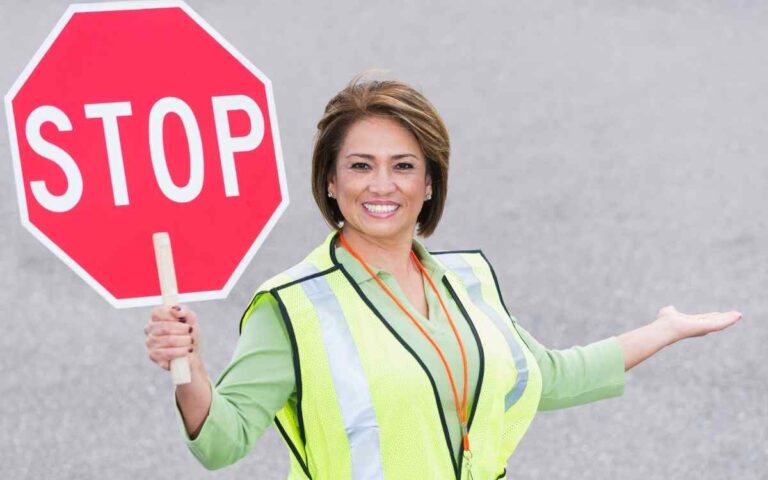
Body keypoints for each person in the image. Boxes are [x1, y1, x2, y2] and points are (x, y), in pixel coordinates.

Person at [144, 75, 743, 479]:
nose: (382, 185)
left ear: (429, 183)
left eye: (403, 166)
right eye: (360, 166)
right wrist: (190, 368)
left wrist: (663, 330)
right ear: (330, 180)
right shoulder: (292, 307)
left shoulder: (465, 283)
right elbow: (223, 441)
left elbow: (549, 378)